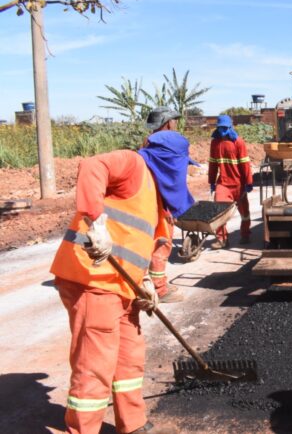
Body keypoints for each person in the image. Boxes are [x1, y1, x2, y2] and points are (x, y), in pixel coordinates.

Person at [50, 128, 197, 434]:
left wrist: (144, 282)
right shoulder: (133, 165)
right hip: (92, 280)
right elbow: (93, 166)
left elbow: (136, 244)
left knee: (130, 356)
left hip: (122, 285)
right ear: (172, 163)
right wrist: (96, 220)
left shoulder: (156, 197)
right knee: (95, 364)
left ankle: (132, 424)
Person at [144, 107, 189, 304]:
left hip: (144, 199)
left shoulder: (147, 143)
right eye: (174, 121)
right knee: (162, 243)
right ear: (167, 123)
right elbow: (172, 179)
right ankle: (160, 289)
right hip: (161, 202)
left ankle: (144, 283)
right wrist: (170, 207)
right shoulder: (173, 144)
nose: (175, 125)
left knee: (146, 243)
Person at [208, 115, 253, 248]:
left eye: (225, 128)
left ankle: (245, 234)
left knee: (244, 212)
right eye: (220, 128)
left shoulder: (238, 142)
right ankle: (222, 239)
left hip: (239, 183)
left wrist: (248, 182)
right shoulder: (215, 143)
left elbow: (245, 164)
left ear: (230, 127)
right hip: (223, 183)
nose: (222, 130)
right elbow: (213, 164)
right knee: (219, 211)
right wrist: (211, 181)